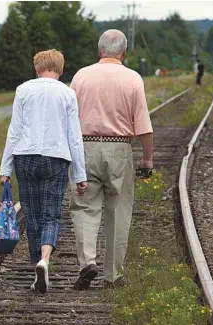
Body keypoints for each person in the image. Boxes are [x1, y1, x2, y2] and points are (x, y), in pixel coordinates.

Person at [69, 29, 154, 290]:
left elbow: (68, 117)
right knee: (118, 211)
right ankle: (113, 275)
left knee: (85, 207)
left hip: (85, 147)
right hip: (119, 149)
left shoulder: (81, 76)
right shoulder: (132, 79)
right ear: (124, 53)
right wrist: (147, 159)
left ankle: (87, 263)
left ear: (99, 51)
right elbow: (143, 126)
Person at [0, 49, 88, 294]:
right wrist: (80, 175)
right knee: (51, 214)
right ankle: (44, 260)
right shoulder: (68, 94)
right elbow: (74, 137)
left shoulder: (23, 90)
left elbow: (14, 130)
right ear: (60, 69)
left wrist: (5, 168)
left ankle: (34, 266)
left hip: (24, 157)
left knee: (31, 214)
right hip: (56, 159)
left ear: (37, 69)